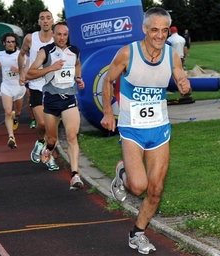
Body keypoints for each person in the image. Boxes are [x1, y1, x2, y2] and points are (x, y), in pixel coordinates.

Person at [100, 7, 191, 254]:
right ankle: (123, 174)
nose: (160, 36)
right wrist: (108, 112)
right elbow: (108, 80)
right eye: (154, 30)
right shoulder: (128, 53)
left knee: (156, 189)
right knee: (138, 186)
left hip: (160, 129)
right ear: (144, 29)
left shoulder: (172, 55)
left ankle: (137, 233)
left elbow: (181, 78)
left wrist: (184, 85)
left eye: (164, 30)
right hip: (132, 129)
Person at [27, 22, 85, 191]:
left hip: (69, 99)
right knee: (52, 139)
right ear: (53, 35)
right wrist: (50, 68)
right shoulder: (45, 52)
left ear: (68, 36)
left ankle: (75, 175)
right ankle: (48, 149)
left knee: (72, 136)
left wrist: (79, 78)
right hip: (51, 100)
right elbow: (30, 73)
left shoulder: (74, 51)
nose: (62, 38)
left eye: (65, 34)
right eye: (59, 34)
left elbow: (77, 64)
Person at [18, 10, 59, 171]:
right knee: (41, 123)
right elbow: (22, 54)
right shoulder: (30, 38)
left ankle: (49, 158)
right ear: (39, 22)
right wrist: (22, 71)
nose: (45, 21)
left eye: (48, 18)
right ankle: (40, 142)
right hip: (35, 85)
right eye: (42, 18)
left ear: (52, 21)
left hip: (53, 87)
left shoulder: (58, 39)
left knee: (51, 127)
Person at [0, 32, 25, 149]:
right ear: (4, 43)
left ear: (16, 43)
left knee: (18, 112)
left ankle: (16, 117)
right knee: (8, 112)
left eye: (12, 41)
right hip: (6, 86)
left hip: (19, 86)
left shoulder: (21, 54)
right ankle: (11, 137)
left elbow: (27, 69)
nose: (10, 44)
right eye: (8, 41)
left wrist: (19, 70)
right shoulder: (0, 54)